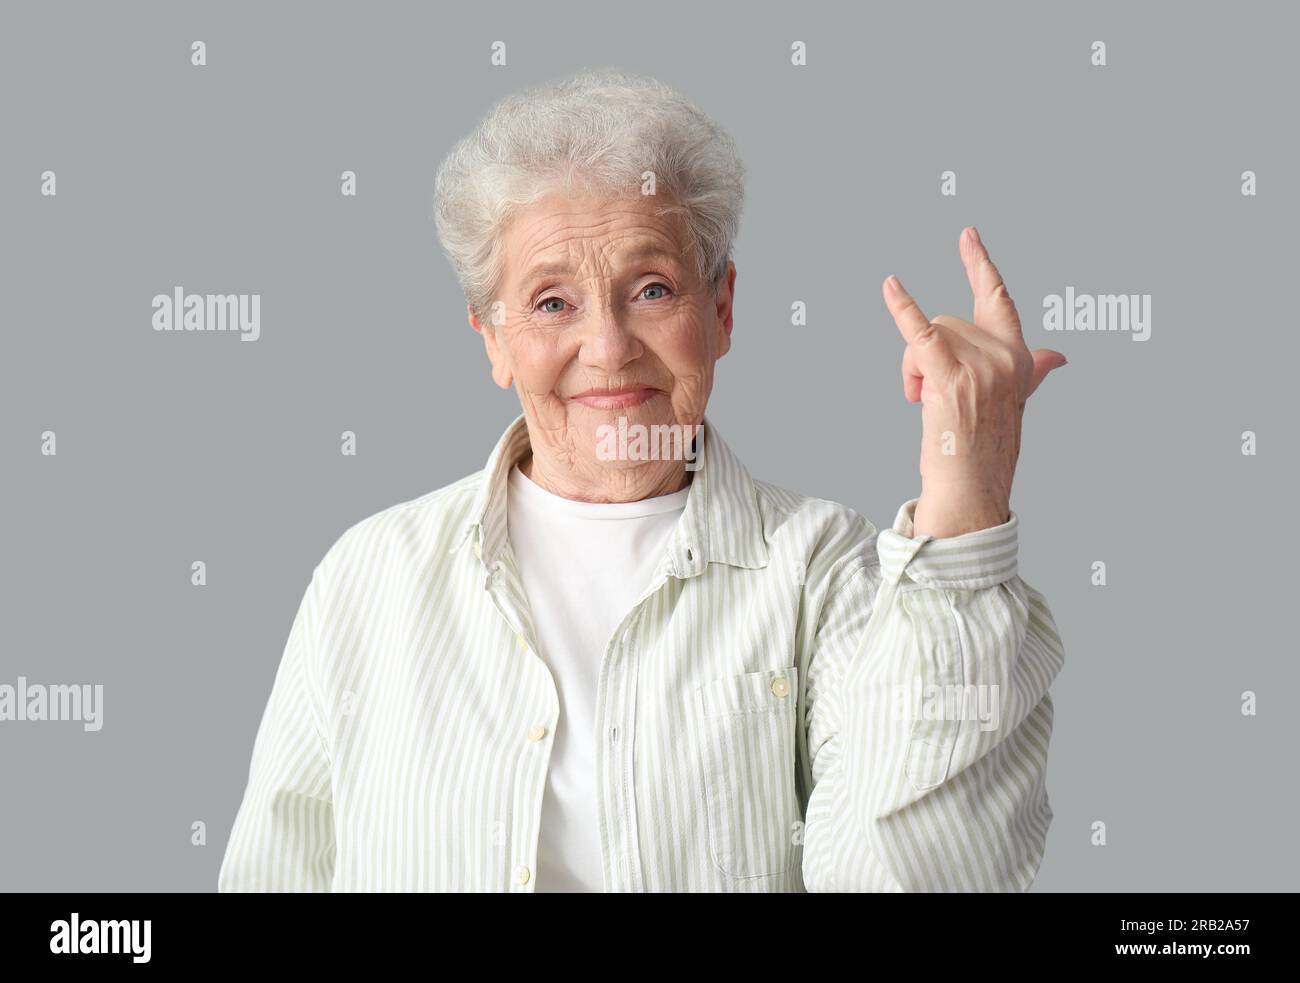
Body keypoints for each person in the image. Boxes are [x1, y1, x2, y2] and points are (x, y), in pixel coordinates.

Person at [218, 68, 1066, 893]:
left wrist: (966, 494)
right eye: (552, 302)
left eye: (652, 288)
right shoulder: (368, 578)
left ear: (722, 310)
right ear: (492, 337)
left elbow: (912, 876)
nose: (610, 345)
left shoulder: (821, 568)